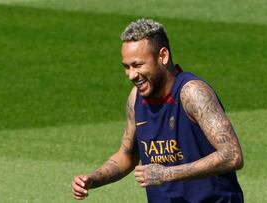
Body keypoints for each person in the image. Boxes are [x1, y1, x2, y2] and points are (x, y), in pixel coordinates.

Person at [72, 18, 244, 202]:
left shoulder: (192, 93)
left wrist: (167, 174)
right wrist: (92, 179)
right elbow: (127, 156)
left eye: (138, 65)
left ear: (163, 56)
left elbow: (232, 155)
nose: (131, 75)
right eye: (126, 67)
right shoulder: (136, 99)